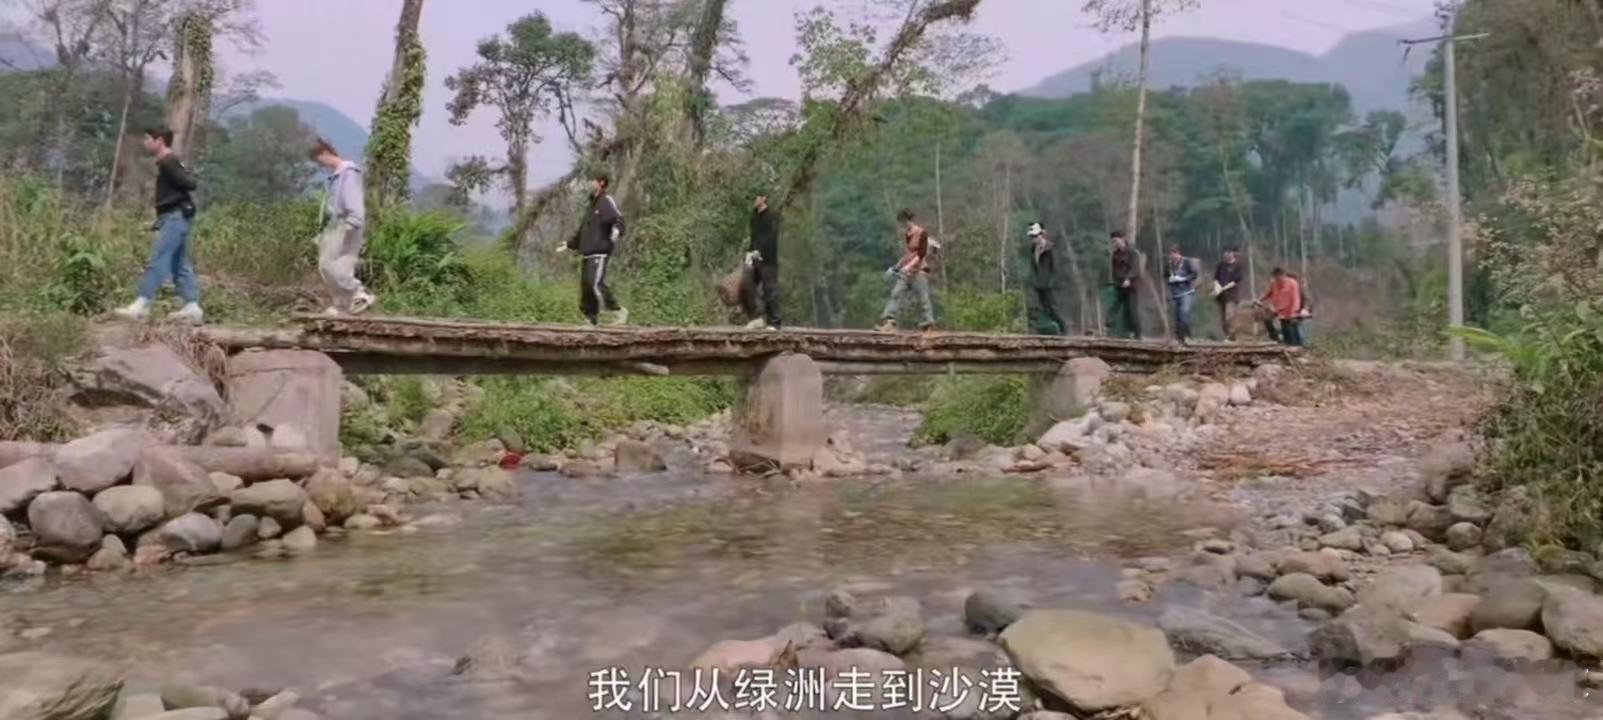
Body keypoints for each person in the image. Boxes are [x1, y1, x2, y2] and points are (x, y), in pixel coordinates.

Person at [115, 126, 203, 323]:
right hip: (175, 216)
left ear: (160, 141)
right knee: (179, 263)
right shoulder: (168, 162)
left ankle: (142, 304)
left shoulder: (168, 161)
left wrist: (185, 176)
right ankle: (192, 307)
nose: (145, 143)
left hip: (176, 216)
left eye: (148, 139)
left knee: (160, 258)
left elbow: (190, 183)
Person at [309, 139, 377, 316]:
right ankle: (341, 304)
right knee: (326, 264)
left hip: (349, 223)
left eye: (319, 161)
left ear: (325, 154)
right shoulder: (337, 175)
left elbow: (353, 199)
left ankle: (360, 293)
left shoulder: (348, 172)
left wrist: (352, 223)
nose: (321, 166)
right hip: (337, 224)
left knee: (338, 265)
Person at [565, 173, 628, 327]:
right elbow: (583, 231)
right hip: (587, 253)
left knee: (595, 284)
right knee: (587, 287)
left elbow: (619, 219)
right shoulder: (591, 206)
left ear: (601, 183)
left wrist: (616, 230)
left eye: (593, 181)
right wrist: (569, 244)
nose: (590, 184)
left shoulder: (606, 201)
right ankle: (591, 320)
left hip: (600, 252)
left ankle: (618, 311)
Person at [877, 209, 936, 332]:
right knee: (896, 294)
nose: (903, 225)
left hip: (919, 271)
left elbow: (921, 254)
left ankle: (928, 323)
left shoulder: (921, 233)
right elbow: (908, 254)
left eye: (904, 222)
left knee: (923, 299)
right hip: (906, 272)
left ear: (909, 220)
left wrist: (909, 266)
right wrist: (897, 267)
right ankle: (889, 321)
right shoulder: (907, 234)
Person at [742, 192, 781, 330]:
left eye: (756, 197)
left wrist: (760, 251)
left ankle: (774, 322)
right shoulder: (754, 216)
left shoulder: (771, 215)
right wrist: (749, 252)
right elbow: (754, 237)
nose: (754, 200)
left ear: (764, 198)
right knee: (747, 285)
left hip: (768, 259)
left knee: (769, 290)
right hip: (754, 257)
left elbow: (771, 237)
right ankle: (757, 318)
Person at [1027, 222, 1066, 335]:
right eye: (1032, 237)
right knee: (1044, 309)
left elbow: (1056, 267)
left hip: (1049, 284)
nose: (1034, 239)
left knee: (1053, 308)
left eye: (1035, 236)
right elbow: (1034, 267)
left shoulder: (1050, 248)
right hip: (1039, 284)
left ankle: (1064, 330)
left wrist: (1052, 282)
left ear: (1041, 235)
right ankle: (1051, 331)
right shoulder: (1033, 249)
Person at [1259, 267, 1303, 346]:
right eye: (1276, 279)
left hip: (1289, 310)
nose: (1278, 281)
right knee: (1268, 320)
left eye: (1279, 279)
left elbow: (1296, 299)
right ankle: (1277, 339)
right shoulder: (1274, 283)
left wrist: (1293, 312)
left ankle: (1295, 345)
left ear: (1283, 276)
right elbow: (1267, 293)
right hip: (1278, 309)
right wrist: (1259, 299)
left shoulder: (1292, 283)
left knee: (1290, 329)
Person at [1166, 246, 1200, 343]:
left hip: (1187, 292)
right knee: (1177, 317)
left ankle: (1188, 336)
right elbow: (1165, 275)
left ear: (1178, 253)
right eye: (1171, 254)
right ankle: (1179, 338)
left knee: (1183, 313)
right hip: (1175, 294)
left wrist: (1183, 278)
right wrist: (1170, 279)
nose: (1172, 256)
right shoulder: (1169, 264)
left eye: (1174, 254)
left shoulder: (1186, 262)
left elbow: (1194, 274)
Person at [1108, 231, 1139, 338]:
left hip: (1131, 286)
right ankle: (1115, 330)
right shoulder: (1115, 254)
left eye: (1116, 241)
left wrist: (1128, 279)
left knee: (1131, 310)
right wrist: (1114, 281)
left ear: (1122, 239)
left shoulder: (1132, 252)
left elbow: (1135, 268)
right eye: (1113, 241)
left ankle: (1137, 334)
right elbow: (1114, 270)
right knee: (1116, 308)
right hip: (1119, 285)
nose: (1114, 243)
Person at [1212, 247, 1244, 341]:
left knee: (1229, 316)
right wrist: (1217, 288)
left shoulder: (1238, 266)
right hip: (1221, 296)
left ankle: (1230, 336)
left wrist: (1223, 288)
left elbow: (1235, 281)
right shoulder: (1220, 265)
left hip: (1232, 295)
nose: (1227, 254)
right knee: (1223, 320)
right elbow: (1216, 278)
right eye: (1226, 252)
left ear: (1233, 253)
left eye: (1229, 252)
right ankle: (1229, 337)